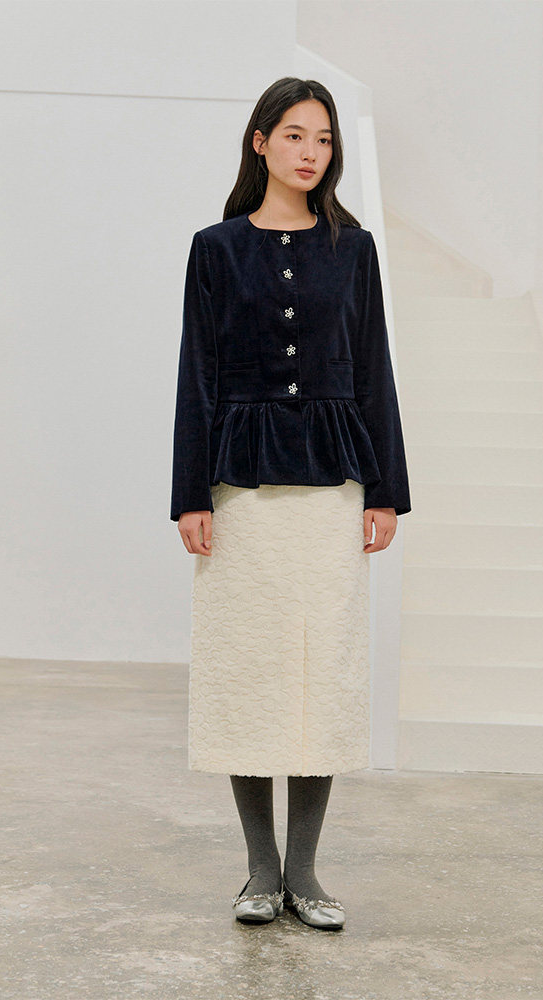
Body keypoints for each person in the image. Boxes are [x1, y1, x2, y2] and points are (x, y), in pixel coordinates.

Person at [170, 77, 411, 930]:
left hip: (332, 488)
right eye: (297, 135)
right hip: (239, 489)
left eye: (325, 139)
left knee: (321, 674)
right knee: (250, 669)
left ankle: (305, 874)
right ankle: (259, 871)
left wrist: (387, 490)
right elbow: (197, 373)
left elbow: (374, 367)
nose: (312, 152)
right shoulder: (215, 248)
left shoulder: (354, 248)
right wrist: (190, 496)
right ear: (261, 141)